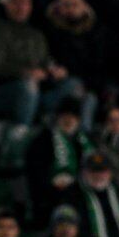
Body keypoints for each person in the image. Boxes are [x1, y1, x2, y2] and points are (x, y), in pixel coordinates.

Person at [0, 0, 83, 127]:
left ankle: (70, 139)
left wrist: (53, 70)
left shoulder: (36, 34)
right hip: (5, 91)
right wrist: (25, 73)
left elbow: (45, 60)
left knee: (73, 85)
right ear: (7, 3)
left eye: (26, 3)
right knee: (28, 86)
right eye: (17, 2)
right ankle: (21, 134)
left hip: (38, 91)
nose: (21, 7)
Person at [25, 97, 95, 227]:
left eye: (73, 117)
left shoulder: (84, 142)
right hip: (51, 196)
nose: (69, 120)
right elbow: (35, 172)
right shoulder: (44, 139)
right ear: (58, 118)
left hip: (81, 193)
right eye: (65, 116)